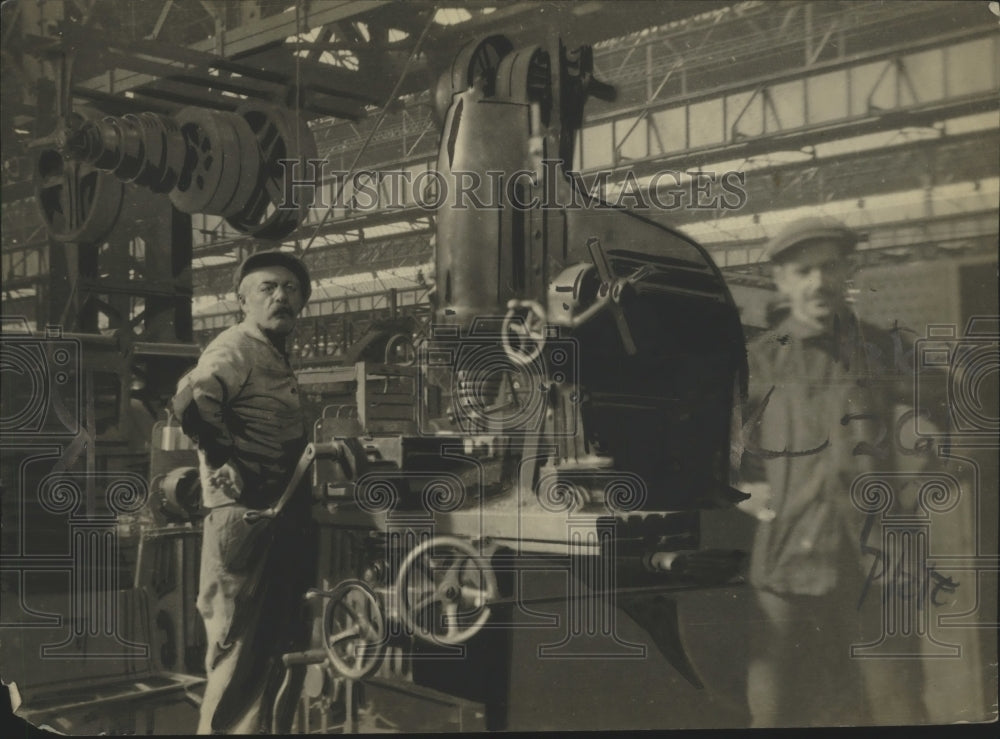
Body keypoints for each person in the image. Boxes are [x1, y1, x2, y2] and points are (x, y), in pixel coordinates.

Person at [738, 216, 930, 727]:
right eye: (803, 270)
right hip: (786, 562)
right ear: (781, 279)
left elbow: (970, 416)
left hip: (877, 564)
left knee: (899, 708)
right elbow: (707, 452)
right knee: (776, 714)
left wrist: (920, 492)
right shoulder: (758, 361)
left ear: (847, 270)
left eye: (828, 267)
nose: (818, 281)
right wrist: (746, 495)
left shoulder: (886, 350)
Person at [171, 250, 317, 734]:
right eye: (268, 288)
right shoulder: (237, 344)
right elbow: (192, 398)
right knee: (238, 655)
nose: (282, 296)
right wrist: (221, 457)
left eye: (291, 289)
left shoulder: (272, 353)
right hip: (245, 524)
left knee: (278, 653)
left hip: (277, 522)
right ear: (242, 302)